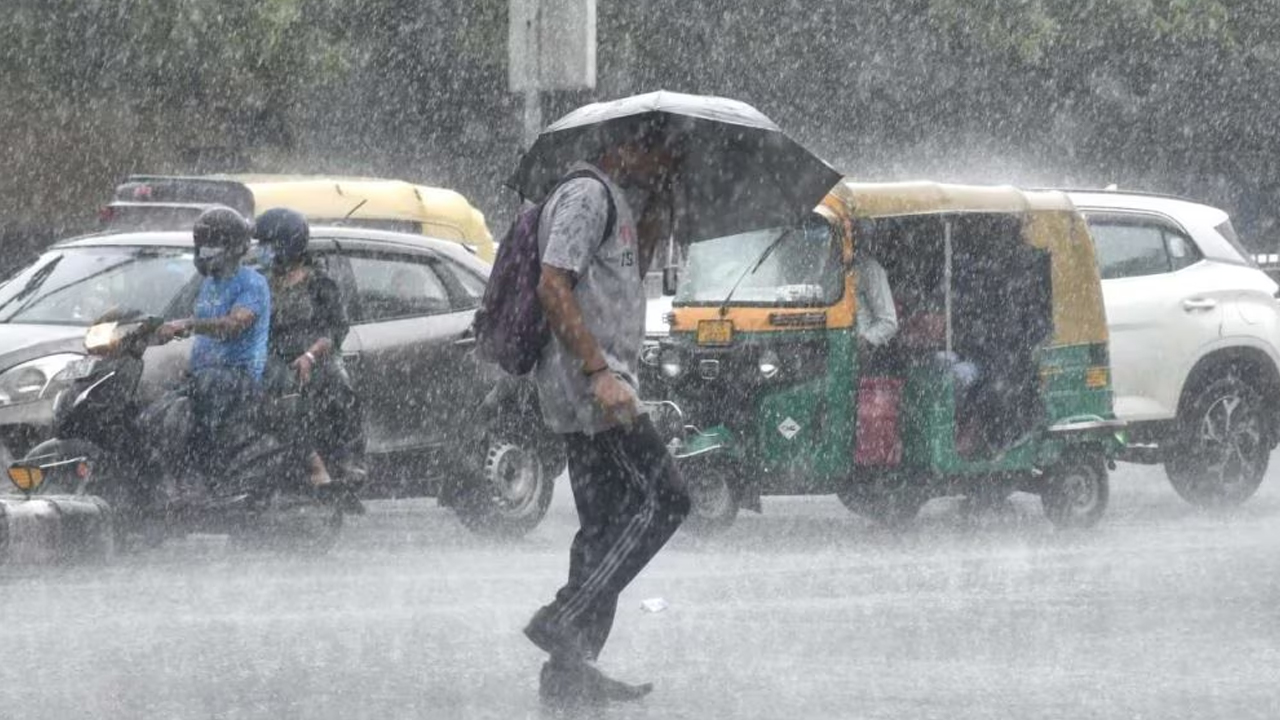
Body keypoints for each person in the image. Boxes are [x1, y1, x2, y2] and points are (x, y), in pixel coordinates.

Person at [523, 125, 691, 706]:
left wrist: (656, 220)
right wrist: (599, 373)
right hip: (594, 389)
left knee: (605, 525)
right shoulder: (587, 194)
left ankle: (570, 671)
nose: (664, 164)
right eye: (659, 153)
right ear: (625, 148)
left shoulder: (619, 202)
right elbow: (553, 285)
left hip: (606, 383)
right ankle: (565, 618)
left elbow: (615, 280)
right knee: (667, 497)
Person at [155, 206, 270, 480]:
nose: (204, 254)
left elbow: (233, 325)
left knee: (201, 408)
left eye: (211, 247)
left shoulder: (252, 284)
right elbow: (186, 319)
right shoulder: (208, 283)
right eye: (201, 247)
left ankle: (204, 473)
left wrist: (190, 324)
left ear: (231, 248)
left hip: (238, 375)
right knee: (156, 412)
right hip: (204, 373)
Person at [253, 207, 365, 488]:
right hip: (273, 356)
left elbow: (336, 328)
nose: (263, 252)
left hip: (317, 356)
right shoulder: (263, 282)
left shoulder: (319, 282)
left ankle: (348, 458)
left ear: (286, 245)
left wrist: (311, 354)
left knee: (340, 387)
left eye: (268, 245)